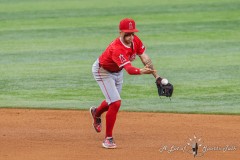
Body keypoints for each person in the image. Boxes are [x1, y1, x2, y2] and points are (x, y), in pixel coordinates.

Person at [90, 18, 161, 149]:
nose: (130, 37)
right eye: (127, 34)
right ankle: (108, 139)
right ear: (120, 32)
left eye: (132, 33)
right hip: (103, 71)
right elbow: (129, 69)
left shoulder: (136, 40)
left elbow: (145, 58)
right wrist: (141, 71)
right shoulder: (116, 48)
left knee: (112, 100)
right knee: (115, 102)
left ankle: (96, 112)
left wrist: (157, 77)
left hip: (117, 71)